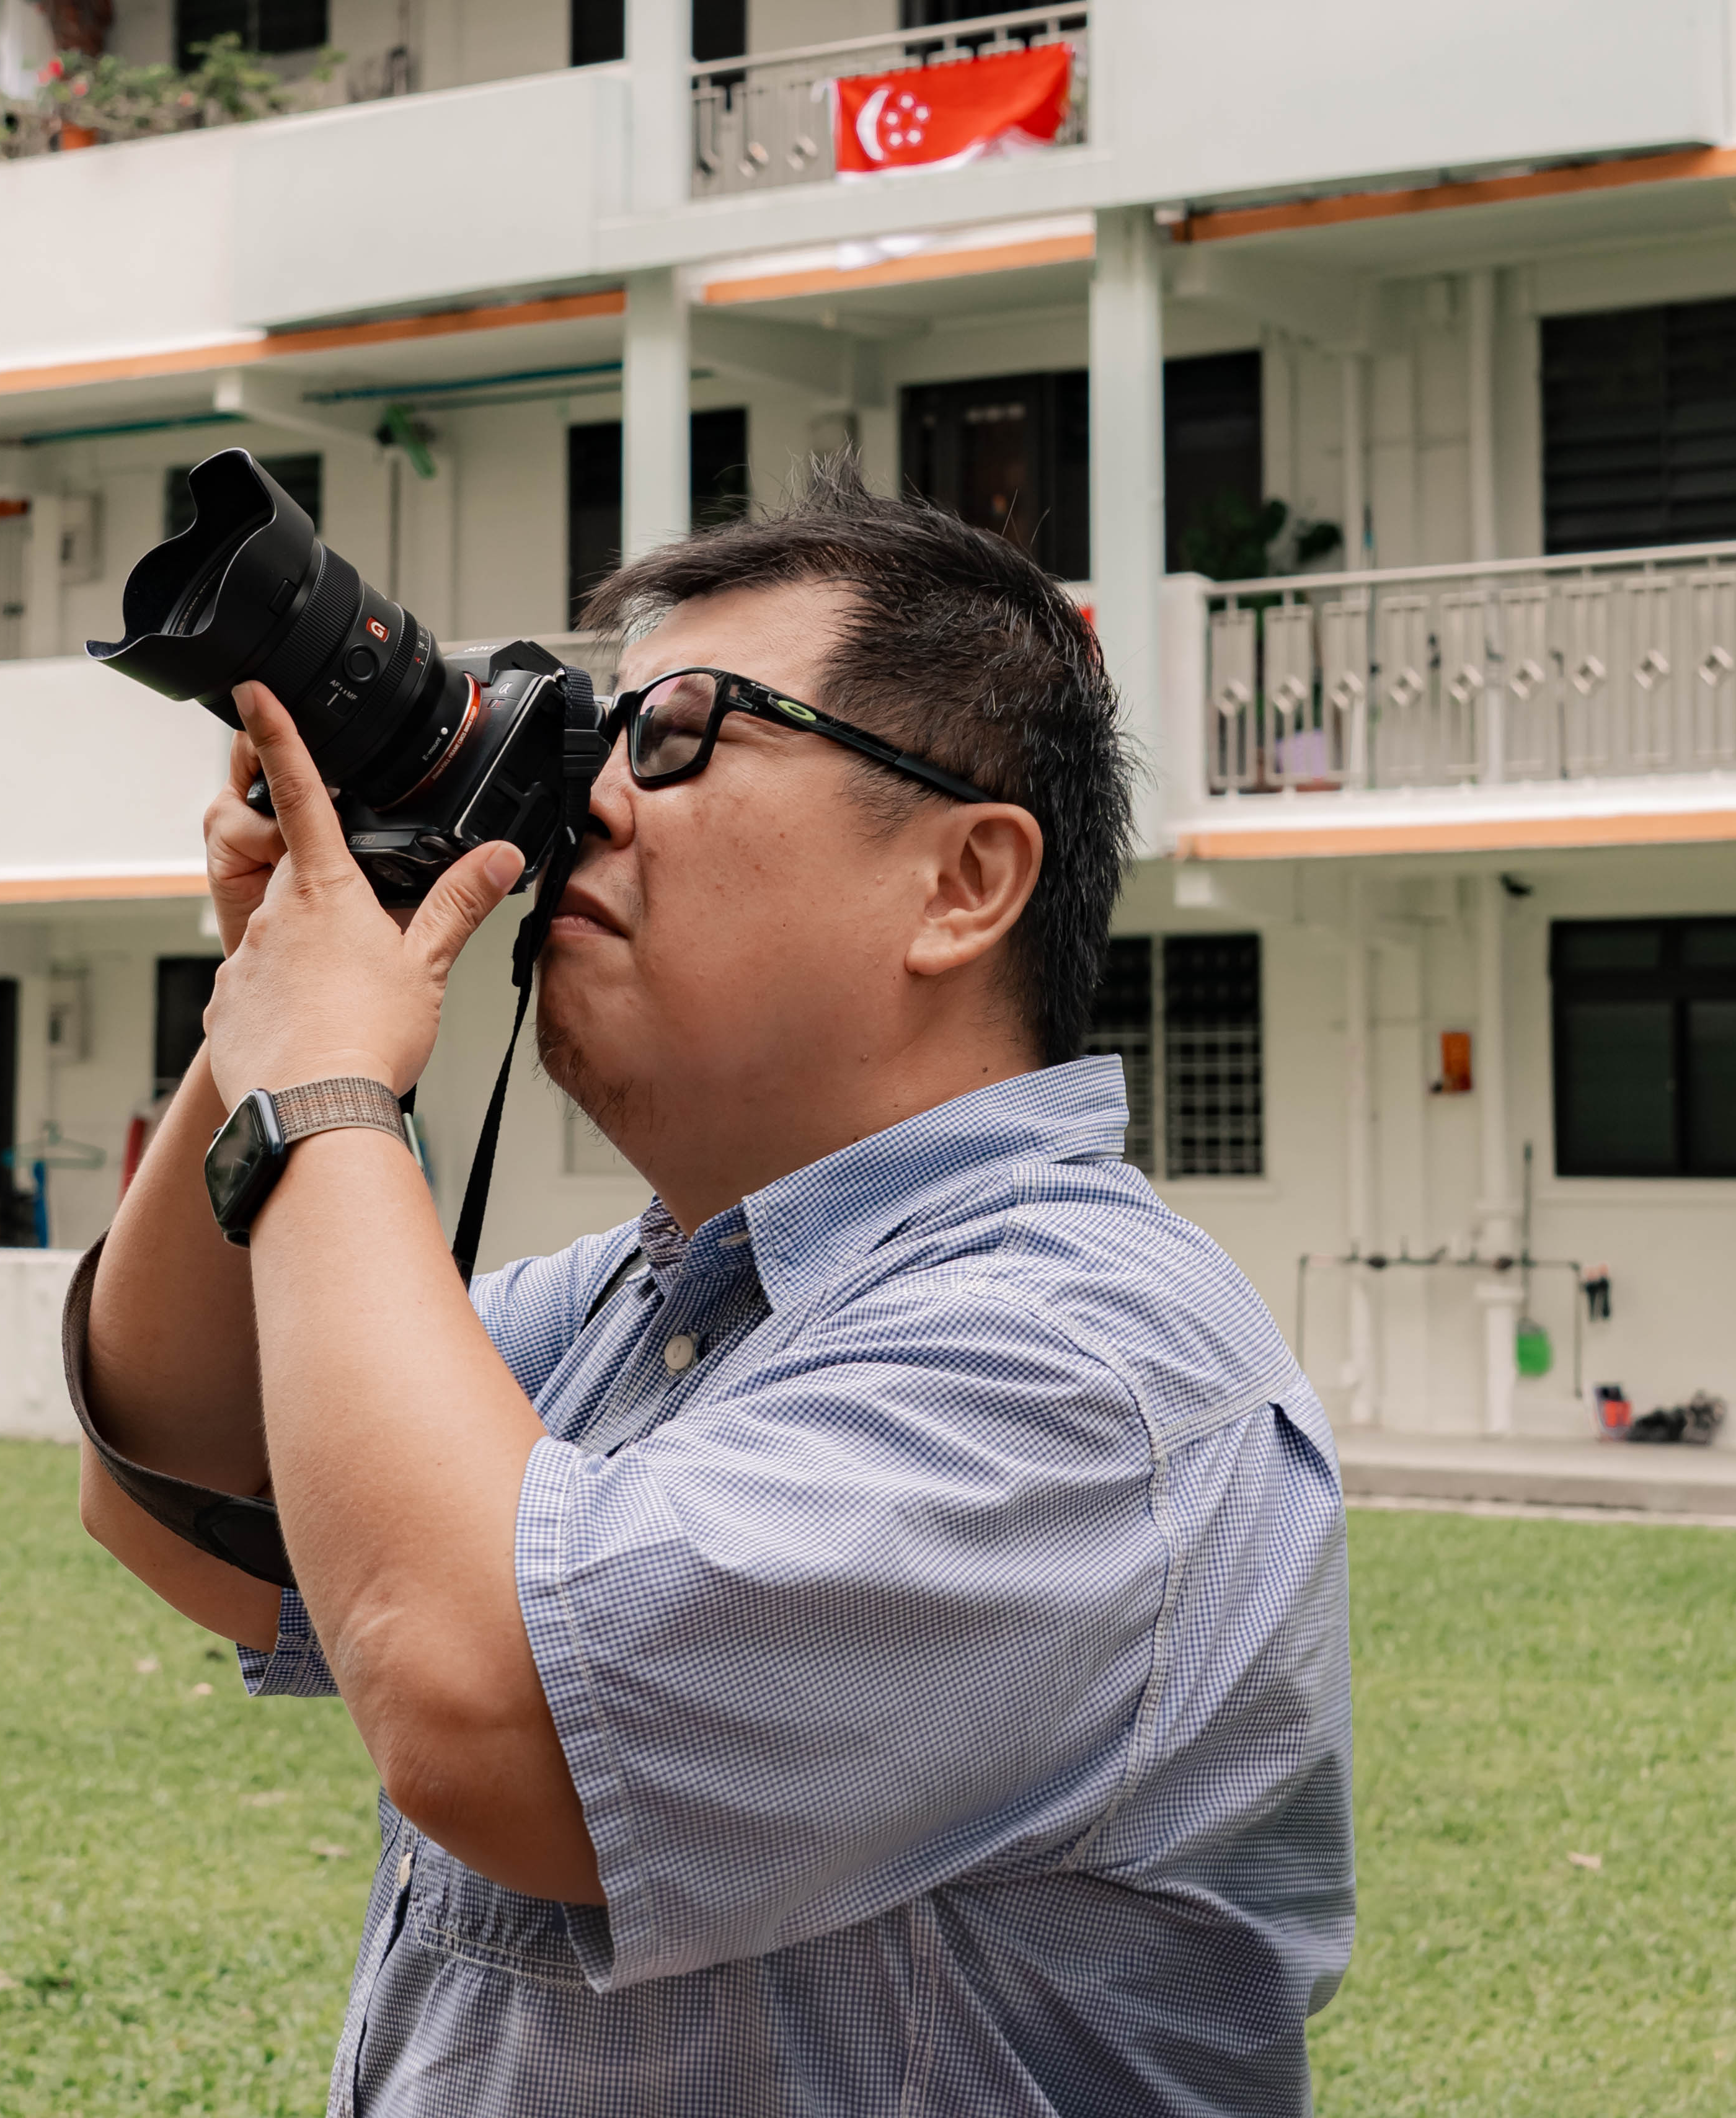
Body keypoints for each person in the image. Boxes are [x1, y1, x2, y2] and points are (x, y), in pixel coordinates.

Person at [72, 464, 1355, 2114]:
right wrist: (284, 991)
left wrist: (325, 1092)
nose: (591, 803)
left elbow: (486, 1718)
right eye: (595, 741)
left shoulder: (1078, 1366)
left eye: (678, 737)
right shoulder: (666, 1295)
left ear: (962, 881)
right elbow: (180, 1490)